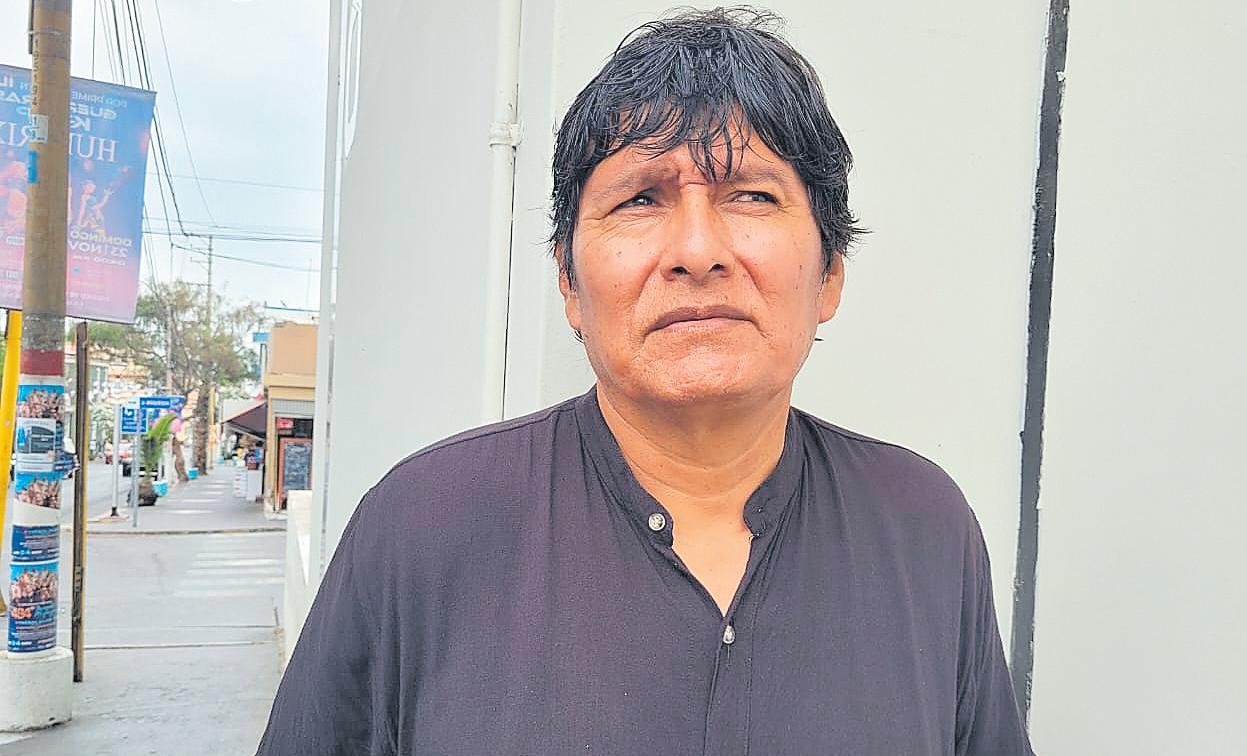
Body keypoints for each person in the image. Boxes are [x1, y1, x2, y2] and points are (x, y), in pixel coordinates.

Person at [257, 8, 1035, 755]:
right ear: (569, 282)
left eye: (752, 195)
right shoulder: (423, 528)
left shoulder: (923, 530)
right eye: (640, 199)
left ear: (829, 273)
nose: (698, 251)